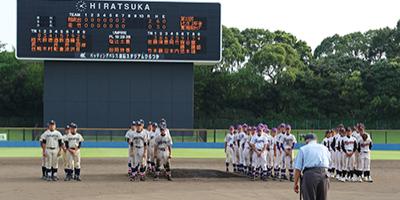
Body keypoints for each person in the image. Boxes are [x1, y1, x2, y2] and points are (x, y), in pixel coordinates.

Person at [294, 133, 330, 200]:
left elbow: (298, 169)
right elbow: (329, 162)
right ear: (316, 140)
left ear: (307, 141)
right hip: (324, 175)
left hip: (310, 175)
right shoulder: (324, 148)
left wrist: (295, 183)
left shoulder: (303, 149)